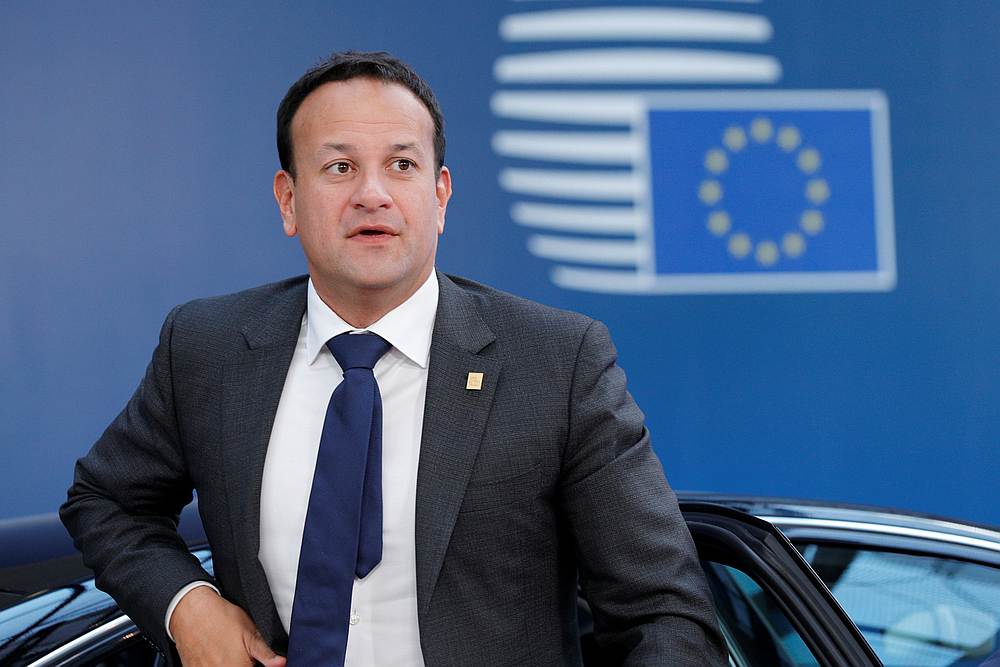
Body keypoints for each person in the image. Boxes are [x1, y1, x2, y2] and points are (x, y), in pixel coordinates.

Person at [61, 51, 727, 666]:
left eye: (401, 165)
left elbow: (661, 610)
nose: (372, 194)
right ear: (288, 200)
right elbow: (106, 500)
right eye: (339, 167)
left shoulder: (556, 361)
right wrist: (187, 606)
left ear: (440, 196)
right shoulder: (209, 347)